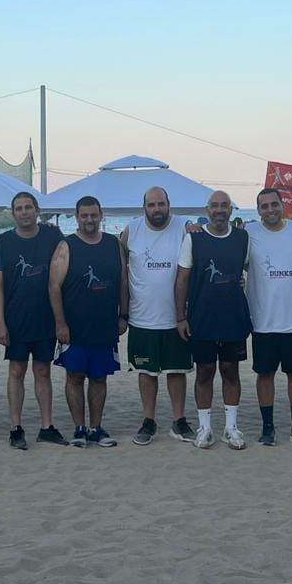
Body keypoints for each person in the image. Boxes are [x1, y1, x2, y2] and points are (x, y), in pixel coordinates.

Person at [119, 186, 197, 446]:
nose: (157, 209)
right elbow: (120, 272)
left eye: (160, 204)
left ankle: (179, 420)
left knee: (177, 371)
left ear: (169, 204)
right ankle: (148, 421)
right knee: (147, 372)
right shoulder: (131, 231)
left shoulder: (185, 228)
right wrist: (122, 312)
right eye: (151, 205)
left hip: (176, 317)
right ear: (144, 207)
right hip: (142, 318)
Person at [175, 190, 251, 449]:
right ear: (207, 210)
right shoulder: (193, 239)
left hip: (233, 317)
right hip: (202, 318)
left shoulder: (243, 238)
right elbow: (182, 279)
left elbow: (253, 271)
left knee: (231, 370)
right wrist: (180, 317)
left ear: (231, 210)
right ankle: (204, 428)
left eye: (224, 206)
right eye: (215, 206)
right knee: (205, 372)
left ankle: (231, 428)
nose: (219, 210)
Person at [49, 196, 126, 448]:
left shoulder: (113, 244)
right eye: (84, 215)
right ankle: (79, 428)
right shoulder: (66, 246)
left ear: (101, 215)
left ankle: (96, 427)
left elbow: (123, 282)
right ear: (77, 216)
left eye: (93, 215)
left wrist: (123, 315)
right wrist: (60, 324)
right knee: (74, 377)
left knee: (100, 377)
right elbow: (54, 287)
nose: (89, 220)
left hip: (104, 325)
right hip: (75, 327)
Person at [0, 190, 68, 449]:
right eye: (19, 208)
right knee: (16, 371)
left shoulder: (52, 235)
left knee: (42, 371)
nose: (24, 212)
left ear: (37, 210)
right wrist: (0, 322)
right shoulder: (3, 241)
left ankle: (47, 426)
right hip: (15, 318)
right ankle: (16, 427)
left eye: (28, 207)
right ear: (13, 213)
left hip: (46, 317)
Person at [245, 188, 292, 447]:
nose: (270, 209)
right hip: (263, 319)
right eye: (264, 206)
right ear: (258, 210)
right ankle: (268, 428)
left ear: (283, 205)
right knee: (265, 375)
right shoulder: (248, 233)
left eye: (274, 204)